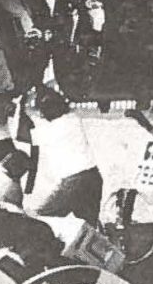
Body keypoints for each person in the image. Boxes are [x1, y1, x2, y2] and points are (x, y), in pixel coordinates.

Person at [24, 85, 103, 223]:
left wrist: (21, 105)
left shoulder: (47, 130)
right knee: (90, 226)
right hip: (93, 177)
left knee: (40, 218)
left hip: (73, 183)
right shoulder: (74, 119)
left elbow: (22, 135)